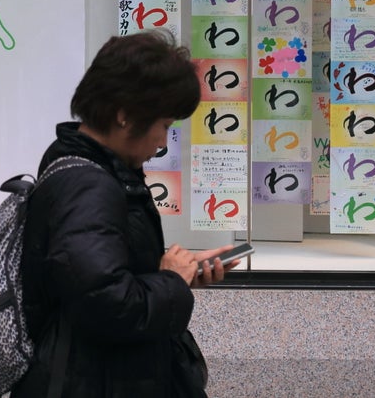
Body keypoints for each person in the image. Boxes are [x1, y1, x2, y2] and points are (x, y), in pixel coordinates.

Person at [12, 30, 242, 397]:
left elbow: (97, 274)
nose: (164, 142)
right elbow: (106, 304)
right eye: (164, 125)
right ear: (124, 116)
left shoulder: (85, 166)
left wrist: (180, 274)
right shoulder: (88, 185)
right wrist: (170, 282)